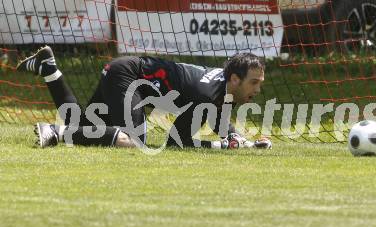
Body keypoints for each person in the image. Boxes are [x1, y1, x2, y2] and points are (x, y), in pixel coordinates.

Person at [16, 46, 272, 150]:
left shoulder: (223, 86)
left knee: (84, 125)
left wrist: (240, 140)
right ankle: (54, 130)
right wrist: (222, 145)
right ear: (235, 80)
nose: (257, 90)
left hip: (123, 69)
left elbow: (221, 119)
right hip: (128, 75)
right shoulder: (206, 95)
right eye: (254, 83)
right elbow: (177, 141)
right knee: (135, 142)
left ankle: (49, 68)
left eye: (259, 83)